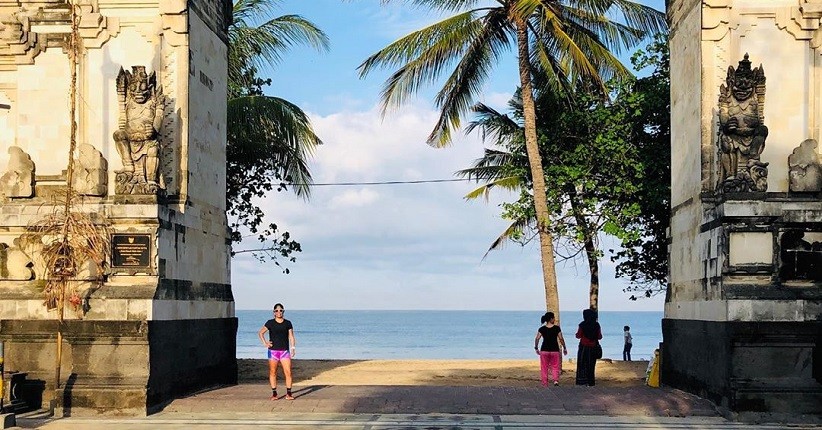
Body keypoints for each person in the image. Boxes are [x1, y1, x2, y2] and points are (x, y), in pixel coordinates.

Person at [258, 303, 296, 400]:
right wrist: (265, 343)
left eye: (280, 310)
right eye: (276, 311)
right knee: (273, 372)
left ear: (283, 311)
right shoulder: (270, 323)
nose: (279, 312)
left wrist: (293, 348)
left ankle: (289, 393)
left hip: (284, 351)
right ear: (274, 312)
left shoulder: (288, 323)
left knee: (288, 372)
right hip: (273, 351)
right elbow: (261, 333)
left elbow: (291, 336)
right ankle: (274, 393)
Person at [534, 311, 567, 386]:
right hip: (554, 350)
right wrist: (564, 347)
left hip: (544, 350)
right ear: (551, 319)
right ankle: (555, 380)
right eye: (554, 318)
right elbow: (561, 338)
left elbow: (537, 338)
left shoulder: (542, 329)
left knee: (544, 367)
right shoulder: (556, 328)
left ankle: (545, 382)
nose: (554, 319)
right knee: (555, 366)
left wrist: (536, 347)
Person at [575, 308, 602, 386]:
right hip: (593, 347)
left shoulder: (582, 324)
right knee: (591, 365)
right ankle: (591, 381)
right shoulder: (596, 325)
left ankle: (582, 381)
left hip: (583, 347)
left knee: (582, 364)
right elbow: (599, 336)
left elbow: (578, 335)